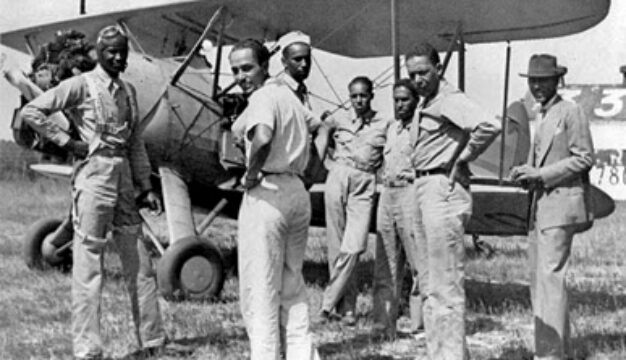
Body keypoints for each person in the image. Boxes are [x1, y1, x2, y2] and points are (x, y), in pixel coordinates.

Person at [20, 25, 174, 359]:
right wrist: (69, 143)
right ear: (99, 54)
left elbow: (134, 143)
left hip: (123, 180)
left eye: (122, 51)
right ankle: (88, 350)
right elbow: (32, 111)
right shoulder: (80, 85)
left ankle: (152, 341)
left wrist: (146, 186)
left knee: (140, 261)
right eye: (111, 52)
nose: (118, 57)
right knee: (89, 264)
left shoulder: (129, 92)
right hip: (93, 178)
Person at [229, 38, 326, 360]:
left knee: (260, 287)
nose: (241, 76)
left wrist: (252, 173)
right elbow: (322, 128)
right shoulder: (288, 95)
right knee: (291, 283)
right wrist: (311, 172)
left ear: (264, 66)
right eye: (235, 70)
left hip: (268, 193)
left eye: (247, 68)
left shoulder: (262, 97)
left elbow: (264, 136)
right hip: (297, 192)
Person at [406, 42, 500, 359]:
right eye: (412, 75)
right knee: (430, 284)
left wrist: (462, 160)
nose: (417, 80)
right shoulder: (427, 102)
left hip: (442, 190)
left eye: (423, 72)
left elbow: (489, 125)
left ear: (438, 69)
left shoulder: (449, 100)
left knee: (446, 285)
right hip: (422, 187)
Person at [510, 54, 594, 360]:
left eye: (543, 80)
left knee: (550, 282)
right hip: (541, 209)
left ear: (557, 80)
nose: (536, 86)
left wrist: (541, 175)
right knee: (541, 283)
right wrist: (525, 174)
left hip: (561, 209)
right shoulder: (541, 115)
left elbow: (584, 157)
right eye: (532, 81)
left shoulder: (571, 111)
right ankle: (556, 350)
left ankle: (549, 355)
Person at [319, 76, 388, 326]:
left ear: (371, 96)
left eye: (363, 95)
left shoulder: (384, 124)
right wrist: (324, 164)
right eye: (354, 96)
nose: (359, 100)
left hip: (364, 182)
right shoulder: (338, 119)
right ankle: (346, 309)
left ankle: (327, 303)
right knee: (336, 246)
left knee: (354, 246)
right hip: (338, 175)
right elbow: (320, 135)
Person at [371, 79, 423, 339]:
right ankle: (383, 324)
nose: (399, 104)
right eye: (396, 100)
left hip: (410, 191)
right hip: (387, 192)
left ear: (416, 101)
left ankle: (420, 326)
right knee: (385, 262)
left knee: (418, 262)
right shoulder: (390, 128)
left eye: (405, 99)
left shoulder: (422, 128)